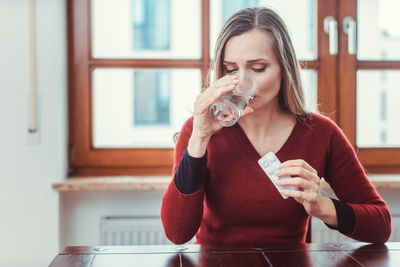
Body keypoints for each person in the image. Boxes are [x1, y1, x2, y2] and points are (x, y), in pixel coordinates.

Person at [161, 7, 391, 245]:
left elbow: (381, 226)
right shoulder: (199, 129)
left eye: (258, 68)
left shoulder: (321, 134)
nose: (240, 83)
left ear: (285, 68)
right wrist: (199, 139)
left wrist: (323, 207)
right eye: (230, 69)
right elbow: (177, 233)